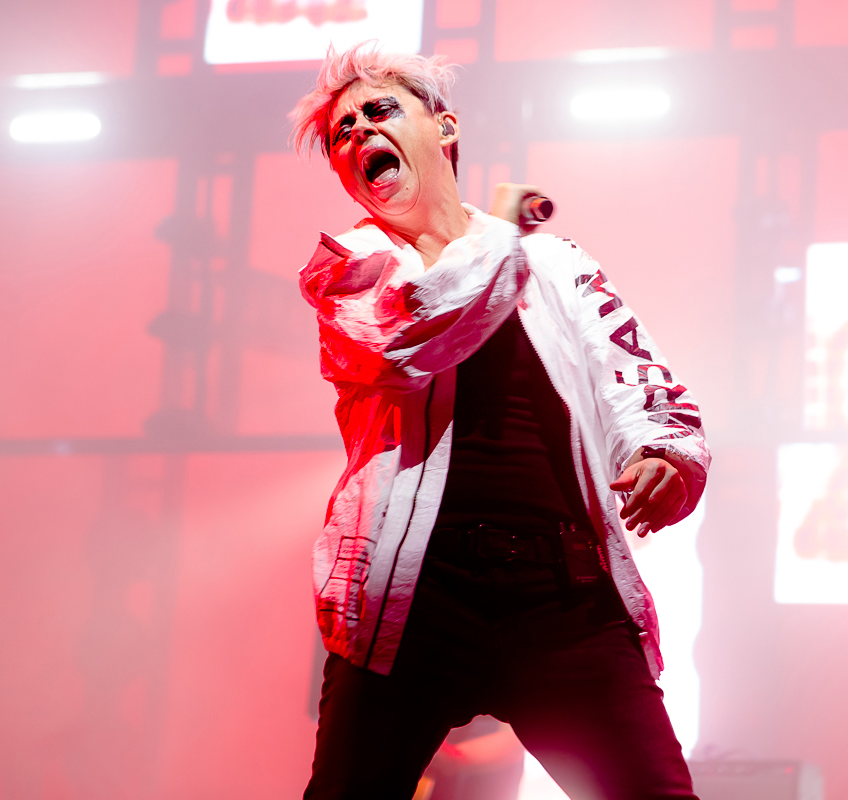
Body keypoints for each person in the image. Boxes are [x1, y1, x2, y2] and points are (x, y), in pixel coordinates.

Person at [290, 41, 709, 800]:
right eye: (340, 132)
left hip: (565, 594)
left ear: (444, 129)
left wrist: (665, 453)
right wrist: (505, 233)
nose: (358, 132)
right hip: (412, 600)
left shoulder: (557, 263)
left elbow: (635, 373)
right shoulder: (344, 268)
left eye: (379, 111)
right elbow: (414, 338)